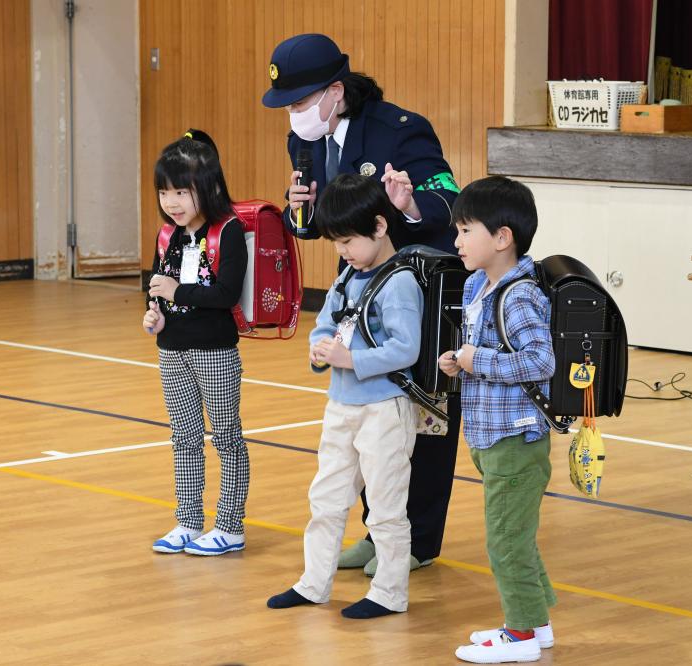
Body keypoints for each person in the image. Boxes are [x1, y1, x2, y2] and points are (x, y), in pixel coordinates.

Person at [262, 31, 461, 576]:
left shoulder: (400, 130)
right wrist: (297, 212)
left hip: (421, 290)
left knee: (425, 415)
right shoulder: (305, 140)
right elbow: (320, 222)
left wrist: (411, 202)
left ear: (335, 90)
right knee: (375, 418)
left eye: (301, 102)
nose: (295, 115)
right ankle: (379, 532)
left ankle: (417, 540)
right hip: (361, 291)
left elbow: (450, 200)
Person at [266, 174, 422, 619]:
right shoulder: (350, 275)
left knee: (387, 508)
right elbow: (325, 325)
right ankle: (314, 583)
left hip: (384, 409)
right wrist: (321, 352)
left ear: (379, 226)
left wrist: (349, 358)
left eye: (348, 241)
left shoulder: (399, 283)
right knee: (327, 499)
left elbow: (404, 348)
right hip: (342, 404)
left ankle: (389, 593)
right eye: (335, 243)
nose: (342, 251)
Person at [437, 176, 557, 664]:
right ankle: (537, 626)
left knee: (506, 539)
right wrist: (459, 361)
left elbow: (539, 362)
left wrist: (476, 360)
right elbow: (482, 349)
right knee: (515, 535)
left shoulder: (521, 295)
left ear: (502, 237)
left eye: (466, 230)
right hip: (489, 432)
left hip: (516, 436)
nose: (457, 241)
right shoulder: (475, 285)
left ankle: (521, 635)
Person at [144, 132, 250, 557]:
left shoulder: (228, 231)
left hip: (215, 353)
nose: (172, 202)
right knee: (184, 437)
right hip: (171, 350)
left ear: (207, 187)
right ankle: (188, 519)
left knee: (226, 436)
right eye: (164, 192)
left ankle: (230, 525)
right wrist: (153, 313)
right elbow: (155, 287)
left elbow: (225, 294)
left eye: (182, 192)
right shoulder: (167, 235)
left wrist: (176, 292)